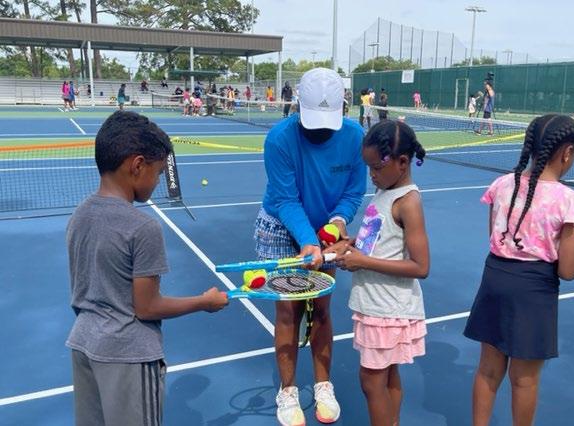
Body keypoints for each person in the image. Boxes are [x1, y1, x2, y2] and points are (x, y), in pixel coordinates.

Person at [66, 110, 228, 426]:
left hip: (83, 345)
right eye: (158, 172)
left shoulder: (79, 215)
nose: (158, 182)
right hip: (129, 355)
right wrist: (204, 302)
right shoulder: (143, 228)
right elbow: (147, 307)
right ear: (137, 165)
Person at [463, 114, 574, 426]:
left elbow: (496, 239)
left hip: (494, 278)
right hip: (533, 292)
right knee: (524, 380)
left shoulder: (501, 185)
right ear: (567, 153)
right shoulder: (572, 203)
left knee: (487, 370)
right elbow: (568, 271)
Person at [254, 68, 366, 426]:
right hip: (281, 227)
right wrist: (307, 241)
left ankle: (323, 386)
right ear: (299, 105)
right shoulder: (279, 139)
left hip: (327, 230)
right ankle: (287, 392)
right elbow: (286, 199)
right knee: (288, 312)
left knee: (321, 309)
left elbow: (353, 191)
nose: (320, 130)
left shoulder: (355, 136)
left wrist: (338, 223)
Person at [330, 119, 430, 426]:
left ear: (402, 163)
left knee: (371, 381)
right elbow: (378, 241)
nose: (371, 175)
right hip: (376, 303)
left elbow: (421, 266)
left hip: (387, 308)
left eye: (376, 168)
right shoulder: (384, 190)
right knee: (386, 376)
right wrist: (351, 244)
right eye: (368, 168)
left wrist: (363, 262)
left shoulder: (407, 202)